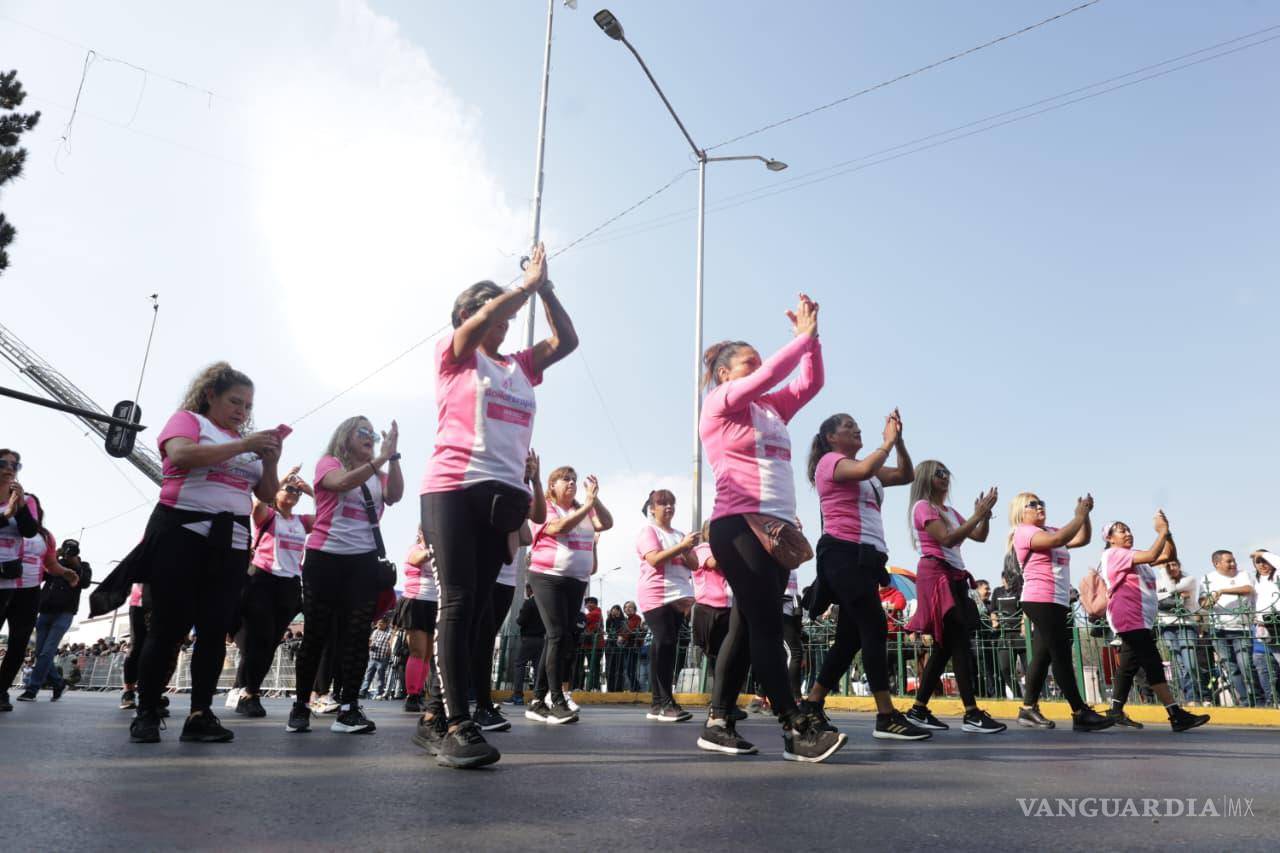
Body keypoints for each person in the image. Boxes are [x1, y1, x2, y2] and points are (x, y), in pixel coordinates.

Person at [416, 243, 577, 769]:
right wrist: (523, 287)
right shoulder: (454, 354)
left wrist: (545, 290)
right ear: (469, 314)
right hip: (453, 489)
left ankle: (433, 716)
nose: (506, 321)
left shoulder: (520, 366)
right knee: (458, 602)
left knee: (478, 611)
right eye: (496, 310)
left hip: (504, 497)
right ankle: (458, 725)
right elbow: (486, 316)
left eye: (509, 313)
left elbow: (566, 340)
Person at [695, 294, 846, 762]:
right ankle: (794, 726)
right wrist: (800, 339)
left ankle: (719, 722)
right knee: (764, 624)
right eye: (749, 363)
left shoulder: (771, 409)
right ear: (725, 374)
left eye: (761, 362)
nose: (759, 369)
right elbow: (772, 374)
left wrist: (812, 341)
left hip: (776, 532)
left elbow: (811, 382)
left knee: (745, 626)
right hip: (739, 526)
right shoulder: (720, 403)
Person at [126, 364, 282, 743]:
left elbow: (266, 494)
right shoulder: (189, 421)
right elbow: (181, 455)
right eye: (235, 401)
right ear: (211, 395)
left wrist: (271, 459)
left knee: (214, 629)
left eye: (248, 405)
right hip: (181, 532)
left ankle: (200, 714)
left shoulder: (245, 441)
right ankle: (147, 711)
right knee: (168, 627)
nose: (242, 411)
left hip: (231, 542)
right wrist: (245, 446)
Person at [799, 410, 931, 740]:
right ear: (831, 437)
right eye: (849, 427)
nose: (857, 430)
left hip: (866, 559)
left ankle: (812, 703)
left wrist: (898, 443)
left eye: (858, 426)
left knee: (850, 638)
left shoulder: (868, 471)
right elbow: (864, 469)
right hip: (843, 554)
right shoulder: (830, 462)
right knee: (874, 626)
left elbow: (905, 474)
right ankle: (886, 716)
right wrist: (886, 442)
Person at [286, 414, 403, 735]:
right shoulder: (329, 463)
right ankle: (301, 705)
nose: (369, 437)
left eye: (373, 434)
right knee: (316, 634)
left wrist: (392, 457)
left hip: (363, 561)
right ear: (345, 435)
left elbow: (395, 496)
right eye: (362, 431)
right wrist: (380, 459)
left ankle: (349, 708)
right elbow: (341, 483)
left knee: (357, 636)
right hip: (325, 559)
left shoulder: (379, 473)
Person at [901, 461, 1006, 734]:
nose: (945, 477)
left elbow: (979, 535)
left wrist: (984, 516)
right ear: (927, 478)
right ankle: (971, 713)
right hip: (937, 575)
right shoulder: (923, 507)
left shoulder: (949, 511)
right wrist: (976, 515)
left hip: (955, 576)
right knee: (958, 641)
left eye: (947, 473)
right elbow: (947, 539)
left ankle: (918, 709)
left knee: (944, 646)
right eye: (939, 473)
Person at [1007, 491, 1113, 732]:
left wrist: (1085, 516)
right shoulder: (1024, 532)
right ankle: (1079, 712)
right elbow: (1058, 540)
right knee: (1061, 655)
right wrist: (1079, 515)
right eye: (1032, 504)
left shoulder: (1050, 530)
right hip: (1040, 599)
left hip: (1057, 600)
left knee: (1042, 656)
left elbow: (1081, 538)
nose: (1039, 507)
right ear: (1021, 512)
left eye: (1041, 503)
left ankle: (1027, 709)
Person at [1099, 515, 1210, 731]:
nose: (1128, 533)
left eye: (1128, 529)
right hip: (1129, 617)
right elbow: (1152, 554)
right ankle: (1176, 714)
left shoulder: (1134, 556)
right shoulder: (1114, 554)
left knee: (1129, 665)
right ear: (1110, 539)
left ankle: (1115, 711)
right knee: (1153, 664)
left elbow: (1168, 555)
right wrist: (1161, 532)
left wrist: (1167, 533)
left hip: (1140, 619)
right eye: (1121, 530)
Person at [524, 466, 612, 725]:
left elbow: (606, 523)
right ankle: (556, 700)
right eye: (565, 479)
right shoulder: (546, 507)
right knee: (556, 635)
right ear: (552, 485)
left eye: (574, 479)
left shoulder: (583, 508)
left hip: (577, 580)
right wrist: (587, 507)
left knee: (561, 638)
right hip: (547, 577)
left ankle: (537, 701)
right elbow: (559, 528)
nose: (571, 483)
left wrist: (594, 500)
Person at [471, 452, 543, 732]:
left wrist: (534, 481)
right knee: (472, 636)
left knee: (486, 638)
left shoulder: (521, 493)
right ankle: (456, 702)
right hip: (479, 571)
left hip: (505, 577)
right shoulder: (485, 478)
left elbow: (529, 531)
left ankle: (482, 704)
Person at [233, 468, 313, 717]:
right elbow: (259, 503)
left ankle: (250, 690)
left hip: (289, 585)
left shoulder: (301, 521)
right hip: (262, 580)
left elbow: (329, 516)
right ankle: (249, 693)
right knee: (261, 637)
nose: (294, 493)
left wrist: (310, 491)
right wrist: (283, 477)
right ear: (276, 493)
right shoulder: (268, 516)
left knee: (271, 643)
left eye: (297, 491)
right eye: (289, 489)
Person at [1, 490, 79, 711]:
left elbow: (50, 564)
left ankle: (1, 691)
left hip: (29, 592)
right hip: (3, 586)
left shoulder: (45, 536)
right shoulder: (4, 524)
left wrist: (65, 572)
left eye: (31, 506)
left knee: (18, 644)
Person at [636, 489, 696, 722]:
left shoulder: (680, 535)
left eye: (672, 503)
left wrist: (687, 548)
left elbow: (694, 564)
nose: (668, 507)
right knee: (665, 642)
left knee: (665, 646)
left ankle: (657, 703)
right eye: (663, 503)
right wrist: (682, 546)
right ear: (652, 509)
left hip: (679, 595)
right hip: (656, 594)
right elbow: (654, 559)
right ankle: (666, 703)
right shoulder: (648, 531)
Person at [19, 537, 91, 701]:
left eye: (72, 551)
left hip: (64, 613)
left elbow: (85, 582)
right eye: (66, 550)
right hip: (45, 611)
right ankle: (58, 683)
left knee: (47, 652)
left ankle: (32, 689)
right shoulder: (54, 563)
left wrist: (75, 564)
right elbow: (41, 575)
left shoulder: (84, 566)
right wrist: (52, 558)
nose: (68, 554)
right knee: (40, 653)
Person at [1200, 550, 1257, 707]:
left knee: (1246, 665)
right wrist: (1210, 601)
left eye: (1234, 560)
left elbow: (1248, 589)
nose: (1233, 564)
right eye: (1229, 561)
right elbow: (1203, 603)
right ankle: (1245, 702)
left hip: (1241, 627)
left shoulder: (1243, 574)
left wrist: (1222, 591)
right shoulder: (1207, 579)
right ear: (1217, 563)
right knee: (1231, 668)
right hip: (1219, 629)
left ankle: (1258, 698)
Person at [396, 528, 437, 714]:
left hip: (435, 603)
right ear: (421, 532)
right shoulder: (415, 548)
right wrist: (436, 549)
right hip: (417, 601)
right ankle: (411, 696)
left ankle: (418, 692)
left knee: (428, 654)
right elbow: (416, 559)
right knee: (418, 651)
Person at [1155, 560, 1203, 706]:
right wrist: (1177, 596)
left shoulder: (1189, 580)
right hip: (1167, 626)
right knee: (1180, 664)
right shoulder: (1157, 583)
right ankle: (1190, 697)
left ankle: (1195, 695)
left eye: (1174, 565)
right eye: (1167, 566)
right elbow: (1155, 600)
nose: (1171, 568)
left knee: (1190, 663)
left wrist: (1163, 573)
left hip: (1186, 625)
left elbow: (1170, 590)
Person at [1252, 550, 1280, 706]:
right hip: (1265, 625)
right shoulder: (1255, 581)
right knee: (1270, 665)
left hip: (1277, 620)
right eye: (1258, 562)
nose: (1262, 565)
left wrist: (1260, 553)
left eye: (1265, 561)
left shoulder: (1277, 575)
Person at [509, 583, 544, 704]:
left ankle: (517, 696)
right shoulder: (545, 603)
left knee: (520, 665)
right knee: (538, 668)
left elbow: (521, 621)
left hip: (528, 639)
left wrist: (518, 618)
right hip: (541, 639)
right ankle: (538, 697)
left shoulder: (529, 603)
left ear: (530, 590)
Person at [360, 617, 394, 699]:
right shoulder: (375, 631)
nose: (378, 624)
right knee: (368, 675)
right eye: (378, 623)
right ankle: (363, 692)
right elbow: (371, 640)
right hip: (373, 657)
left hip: (383, 658)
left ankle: (378, 693)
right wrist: (370, 645)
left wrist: (389, 651)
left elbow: (391, 643)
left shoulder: (390, 632)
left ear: (386, 624)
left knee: (380, 676)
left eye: (380, 623)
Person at [604, 604, 628, 692]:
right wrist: (610, 618)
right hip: (609, 645)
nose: (614, 610)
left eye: (617, 609)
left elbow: (621, 630)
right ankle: (610, 688)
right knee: (609, 667)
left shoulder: (623, 621)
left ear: (620, 611)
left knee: (619, 667)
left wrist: (617, 618)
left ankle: (618, 688)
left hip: (619, 646)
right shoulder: (609, 620)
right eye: (613, 609)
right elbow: (608, 630)